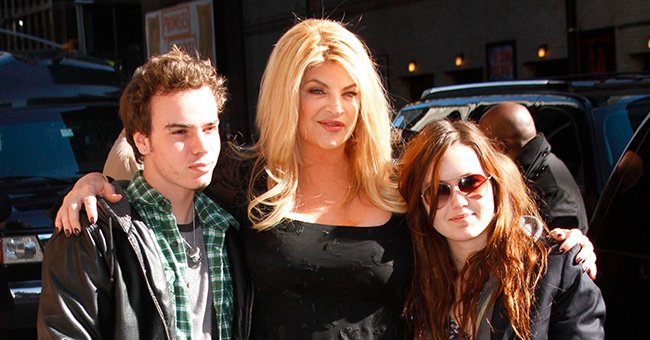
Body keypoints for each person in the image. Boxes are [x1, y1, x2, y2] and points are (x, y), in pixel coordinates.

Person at [53, 19, 596, 339]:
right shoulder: (244, 176)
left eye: (350, 91)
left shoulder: (400, 174)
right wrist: (95, 183)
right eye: (317, 90)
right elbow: (151, 149)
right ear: (289, 93)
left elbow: (483, 184)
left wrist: (556, 236)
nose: (336, 109)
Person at [38, 47, 248, 339]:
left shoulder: (231, 226)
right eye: (180, 132)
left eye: (209, 128)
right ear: (142, 140)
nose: (201, 146)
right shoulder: (94, 234)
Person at [398, 119, 605, 339]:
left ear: (494, 185)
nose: (458, 201)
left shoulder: (553, 268)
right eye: (439, 190)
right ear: (421, 202)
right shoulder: (411, 273)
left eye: (470, 183)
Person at [479, 102, 589, 233]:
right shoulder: (536, 168)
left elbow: (558, 248)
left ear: (500, 148)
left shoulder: (552, 188)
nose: (482, 156)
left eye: (485, 148)